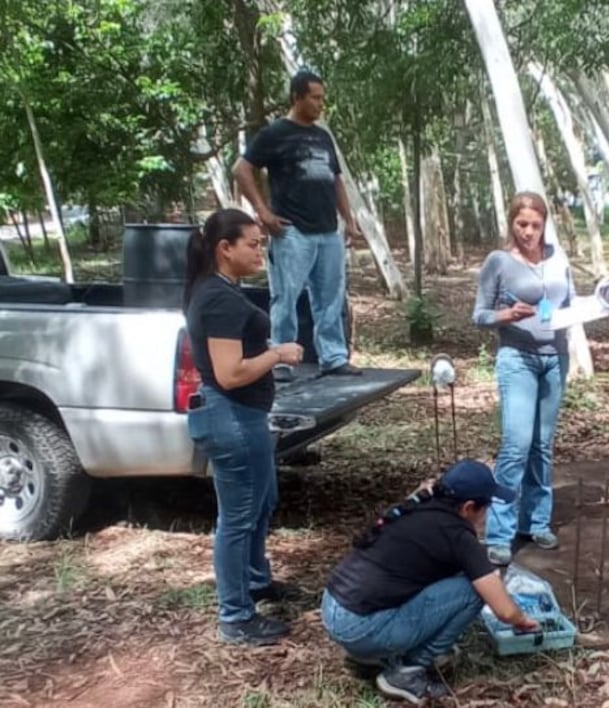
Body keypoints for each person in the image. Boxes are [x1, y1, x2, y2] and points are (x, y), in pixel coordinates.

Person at [321, 459, 540, 704]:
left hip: (333, 608)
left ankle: (376, 652)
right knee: (473, 590)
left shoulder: (419, 504)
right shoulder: (458, 535)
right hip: (361, 628)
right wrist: (525, 621)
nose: (486, 515)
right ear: (468, 507)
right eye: (486, 508)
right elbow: (505, 611)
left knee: (459, 577)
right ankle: (408, 671)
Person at [183, 208, 304, 646]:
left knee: (262, 500)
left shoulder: (219, 290)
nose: (260, 250)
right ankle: (235, 615)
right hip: (230, 418)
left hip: (243, 417)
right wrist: (278, 354)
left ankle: (256, 582)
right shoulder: (218, 298)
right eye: (252, 244)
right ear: (225, 248)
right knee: (237, 518)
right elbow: (230, 373)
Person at [233, 69, 361, 380]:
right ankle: (281, 358)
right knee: (285, 298)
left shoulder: (322, 136)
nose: (320, 104)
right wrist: (263, 212)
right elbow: (242, 169)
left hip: (327, 231)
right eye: (315, 98)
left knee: (330, 298)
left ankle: (333, 357)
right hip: (292, 232)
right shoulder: (275, 133)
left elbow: (336, 181)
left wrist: (349, 220)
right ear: (297, 97)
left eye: (322, 98)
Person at [472, 191, 574, 567]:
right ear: (512, 223)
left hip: (555, 358)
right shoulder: (499, 261)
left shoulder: (557, 257)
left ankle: (536, 521)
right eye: (522, 224)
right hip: (517, 359)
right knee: (516, 444)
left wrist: (603, 304)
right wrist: (504, 316)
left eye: (535, 224)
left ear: (545, 224)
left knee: (542, 446)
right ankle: (500, 533)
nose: (529, 232)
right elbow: (479, 315)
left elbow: (570, 305)